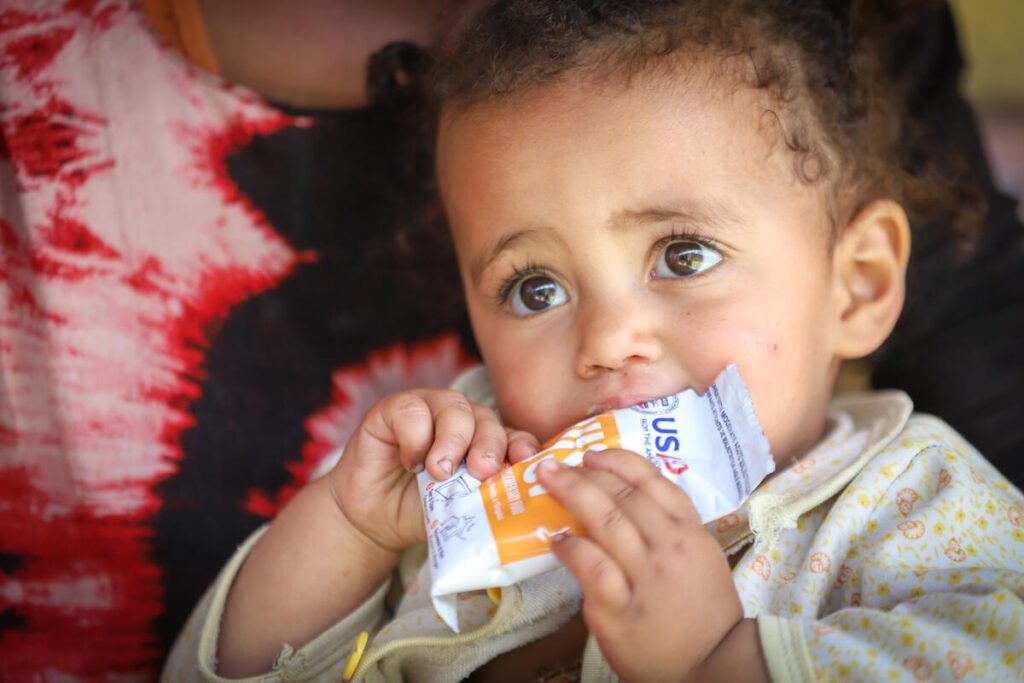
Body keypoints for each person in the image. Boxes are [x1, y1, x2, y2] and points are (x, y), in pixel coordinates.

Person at [161, 1, 1024, 681]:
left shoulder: (917, 503)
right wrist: (348, 532)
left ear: (858, 284)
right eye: (533, 288)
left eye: (684, 254)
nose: (607, 338)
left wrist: (715, 660)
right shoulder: (461, 487)